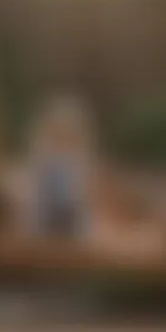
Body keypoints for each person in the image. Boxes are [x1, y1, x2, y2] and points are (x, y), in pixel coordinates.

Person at [22, 96, 97, 241]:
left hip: (72, 221)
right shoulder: (42, 156)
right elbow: (36, 195)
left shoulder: (80, 158)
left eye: (68, 132)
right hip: (45, 220)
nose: (62, 136)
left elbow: (82, 196)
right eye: (58, 130)